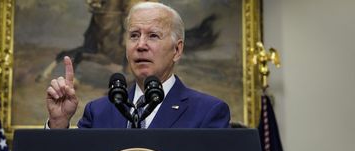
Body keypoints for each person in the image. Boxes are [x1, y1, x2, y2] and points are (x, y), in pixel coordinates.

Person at [45, 2, 230, 129]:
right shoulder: (99, 112)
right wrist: (58, 124)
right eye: (134, 35)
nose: (141, 45)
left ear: (177, 50)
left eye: (153, 36)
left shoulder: (208, 112)